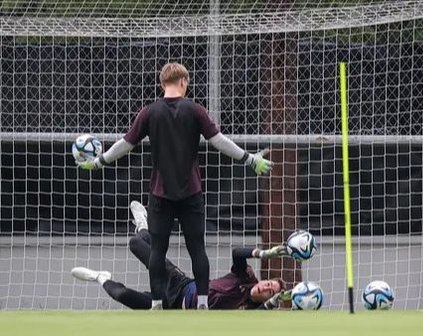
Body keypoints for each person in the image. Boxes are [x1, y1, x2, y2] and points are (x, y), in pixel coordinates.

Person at [76, 62, 273, 310]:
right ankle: (202, 303)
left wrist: (98, 162)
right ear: (184, 82)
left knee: (157, 250)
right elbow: (219, 141)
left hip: (161, 194)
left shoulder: (149, 112)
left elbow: (126, 144)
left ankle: (157, 303)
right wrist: (249, 159)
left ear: (162, 84)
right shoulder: (195, 110)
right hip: (191, 193)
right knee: (197, 249)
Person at [72, 201, 289, 310]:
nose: (265, 287)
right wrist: (265, 253)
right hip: (181, 284)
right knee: (135, 244)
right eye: (269, 283)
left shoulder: (251, 310)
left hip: (172, 306)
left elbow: (265, 311)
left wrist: (280, 299)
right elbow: (237, 254)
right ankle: (143, 227)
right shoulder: (246, 277)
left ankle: (100, 277)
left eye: (269, 292)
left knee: (123, 297)